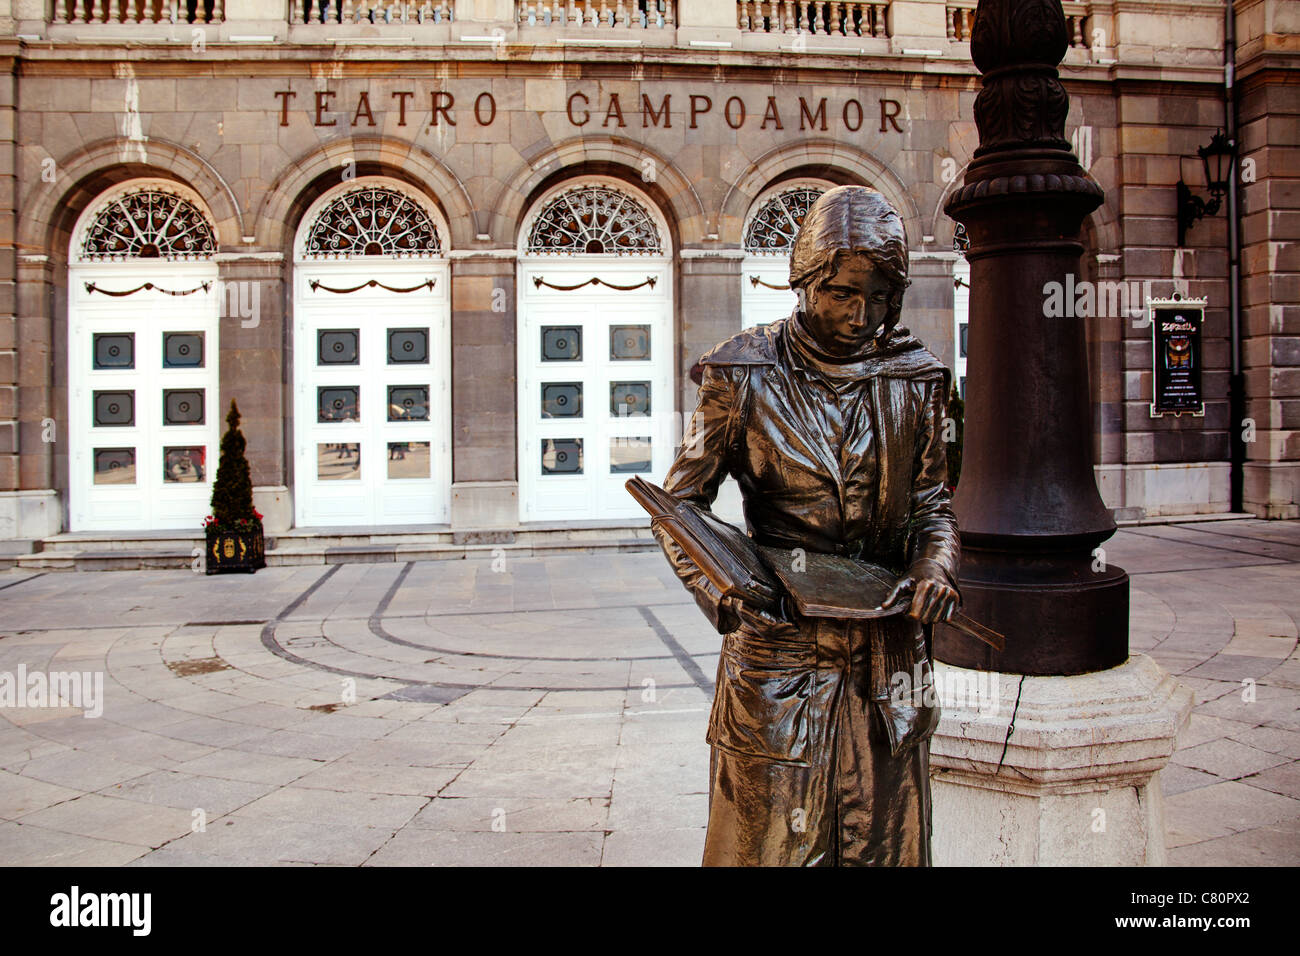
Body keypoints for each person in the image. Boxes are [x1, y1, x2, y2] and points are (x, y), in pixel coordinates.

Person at [651, 185, 961, 866]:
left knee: (882, 846)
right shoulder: (742, 373)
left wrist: (933, 568)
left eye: (879, 297)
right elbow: (681, 507)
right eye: (844, 293)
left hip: (886, 661)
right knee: (771, 847)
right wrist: (722, 590)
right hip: (780, 658)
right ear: (806, 281)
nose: (861, 314)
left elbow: (933, 504)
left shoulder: (918, 379)